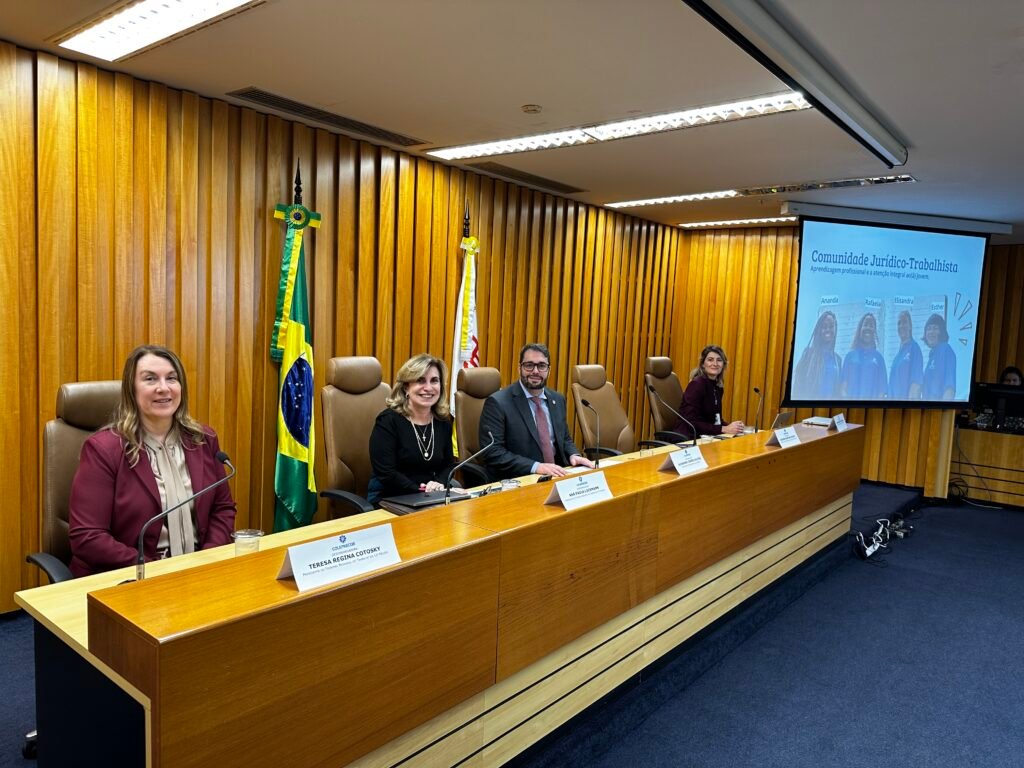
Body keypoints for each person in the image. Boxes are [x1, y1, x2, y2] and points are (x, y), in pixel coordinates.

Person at [68, 345, 237, 577]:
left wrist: (207, 558)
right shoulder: (104, 450)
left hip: (198, 570)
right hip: (131, 576)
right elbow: (87, 537)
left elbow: (223, 509)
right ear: (132, 390)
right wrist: (152, 569)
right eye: (150, 379)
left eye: (171, 378)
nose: (163, 388)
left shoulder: (203, 440)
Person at [479, 342, 595, 479]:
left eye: (541, 366)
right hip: (520, 479)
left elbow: (564, 439)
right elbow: (493, 452)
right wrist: (536, 467)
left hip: (557, 475)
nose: (535, 371)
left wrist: (574, 455)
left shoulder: (557, 399)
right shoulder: (498, 403)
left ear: (548, 370)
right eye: (529, 365)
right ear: (519, 368)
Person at [367, 353, 458, 505]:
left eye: (434, 381)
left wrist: (439, 484)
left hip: (429, 498)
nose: (428, 388)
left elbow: (448, 465)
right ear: (406, 388)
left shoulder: (442, 421)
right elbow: (387, 473)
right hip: (390, 496)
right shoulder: (388, 421)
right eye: (420, 380)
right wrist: (422, 491)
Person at [678, 345, 744, 436]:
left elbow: (715, 420)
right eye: (710, 360)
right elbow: (690, 423)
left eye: (719, 360)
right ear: (702, 364)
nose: (715, 364)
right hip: (689, 438)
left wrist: (734, 427)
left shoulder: (718, 386)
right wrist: (724, 429)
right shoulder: (696, 385)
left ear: (723, 365)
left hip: (707, 436)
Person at [792, 311, 841, 399]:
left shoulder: (838, 360)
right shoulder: (808, 354)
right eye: (824, 327)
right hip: (810, 408)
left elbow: (837, 391)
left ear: (835, 329)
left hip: (831, 410)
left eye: (831, 326)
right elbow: (798, 386)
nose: (828, 330)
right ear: (819, 330)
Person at [840, 313, 887, 399]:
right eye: (865, 324)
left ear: (874, 331)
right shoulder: (849, 356)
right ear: (860, 329)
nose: (868, 328)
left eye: (871, 325)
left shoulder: (879, 359)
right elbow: (843, 389)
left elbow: (882, 392)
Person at [888, 310, 924, 399]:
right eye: (899, 323)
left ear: (910, 326)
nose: (901, 326)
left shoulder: (914, 348)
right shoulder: (897, 357)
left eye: (904, 322)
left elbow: (916, 384)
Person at [922, 313, 956, 399]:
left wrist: (944, 410)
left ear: (942, 331)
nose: (931, 332)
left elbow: (949, 387)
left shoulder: (945, 349)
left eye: (935, 328)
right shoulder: (932, 355)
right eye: (928, 329)